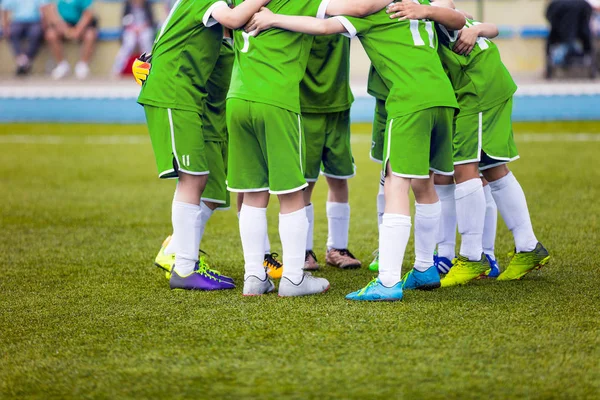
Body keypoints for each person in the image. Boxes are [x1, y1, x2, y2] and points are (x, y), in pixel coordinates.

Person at [244, 0, 465, 301]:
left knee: (396, 184)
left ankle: (387, 281)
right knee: (425, 184)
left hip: (410, 101)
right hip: (442, 97)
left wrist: (273, 19)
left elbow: (323, 26)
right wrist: (427, 10)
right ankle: (425, 267)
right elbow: (458, 19)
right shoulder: (418, 4)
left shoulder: (374, 10)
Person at [226, 0, 390, 297]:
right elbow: (360, 8)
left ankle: (254, 276)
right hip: (275, 99)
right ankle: (293, 278)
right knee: (291, 195)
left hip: (237, 97)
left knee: (252, 192)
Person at [386, 2, 550, 285]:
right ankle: (528, 246)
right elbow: (485, 25)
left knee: (463, 169)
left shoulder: (428, 13)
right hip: (487, 85)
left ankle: (473, 257)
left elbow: (460, 17)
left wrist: (430, 13)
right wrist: (474, 29)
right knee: (493, 168)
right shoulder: (437, 15)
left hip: (476, 91)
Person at [136, 0, 275, 291]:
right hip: (174, 93)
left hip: (184, 97)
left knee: (202, 179)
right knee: (194, 177)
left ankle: (185, 261)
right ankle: (184, 266)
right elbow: (235, 18)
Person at [300, 35, 361, 271]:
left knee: (339, 178)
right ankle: (303, 251)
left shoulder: (344, 10)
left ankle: (337, 248)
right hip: (305, 106)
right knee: (305, 183)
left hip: (338, 105)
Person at [44, 0, 98, 80]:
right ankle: (62, 65)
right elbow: (50, 12)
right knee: (51, 34)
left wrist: (78, 29)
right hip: (62, 25)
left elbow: (88, 13)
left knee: (90, 35)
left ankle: (83, 66)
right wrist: (65, 29)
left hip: (80, 24)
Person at [1, 0, 49, 75]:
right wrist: (5, 26)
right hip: (18, 21)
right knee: (12, 32)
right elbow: (5, 8)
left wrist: (45, 24)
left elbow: (44, 8)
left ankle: (23, 61)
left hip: (35, 21)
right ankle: (23, 61)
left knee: (36, 33)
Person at [111, 0, 155, 77]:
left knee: (146, 41)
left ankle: (151, 68)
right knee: (129, 43)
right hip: (131, 29)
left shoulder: (147, 4)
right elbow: (124, 21)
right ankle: (116, 70)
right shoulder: (128, 4)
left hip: (144, 29)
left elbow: (151, 21)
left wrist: (141, 28)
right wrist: (133, 28)